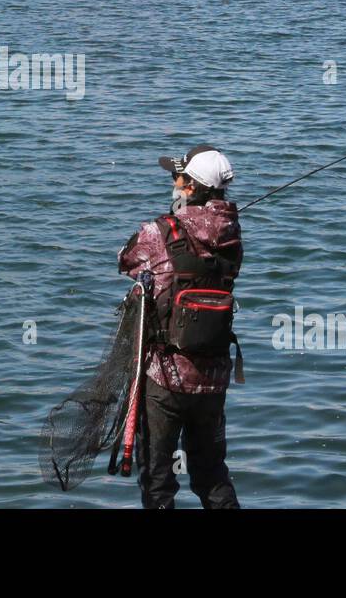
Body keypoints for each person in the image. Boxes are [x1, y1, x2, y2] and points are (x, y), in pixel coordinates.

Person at [117, 145, 243, 509]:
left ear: (190, 187)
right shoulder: (233, 235)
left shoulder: (159, 231)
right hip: (214, 376)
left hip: (165, 376)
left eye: (178, 177)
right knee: (211, 474)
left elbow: (124, 260)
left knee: (157, 480)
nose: (173, 182)